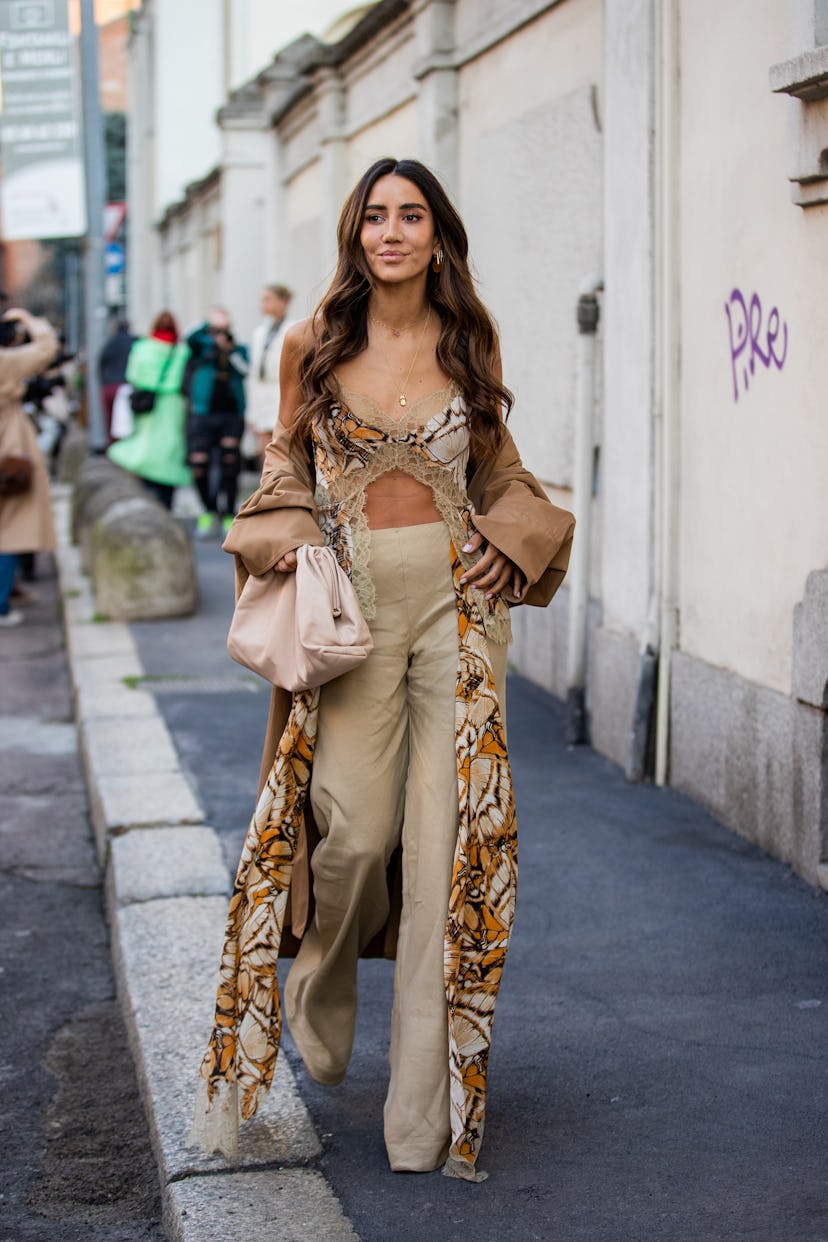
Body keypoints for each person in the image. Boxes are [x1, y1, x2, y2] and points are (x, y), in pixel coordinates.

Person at [190, 158, 576, 1181]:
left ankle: (421, 1118)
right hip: (353, 611)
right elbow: (284, 466)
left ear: (437, 234)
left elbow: (504, 469)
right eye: (376, 216)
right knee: (355, 832)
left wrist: (513, 536)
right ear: (356, 235)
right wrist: (289, 533)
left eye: (411, 216)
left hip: (460, 608)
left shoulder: (467, 341)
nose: (392, 232)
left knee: (444, 851)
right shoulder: (312, 344)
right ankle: (319, 971)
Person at [0, 308, 59, 626]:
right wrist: (28, 319)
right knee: (8, 532)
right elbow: (46, 348)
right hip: (7, 451)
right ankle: (1, 605)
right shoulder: (6, 362)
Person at [107, 310, 191, 509]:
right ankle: (165, 499)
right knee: (169, 450)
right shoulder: (181, 351)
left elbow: (132, 374)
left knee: (145, 446)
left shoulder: (142, 347)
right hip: (172, 403)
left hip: (146, 402)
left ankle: (148, 493)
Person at [184, 307, 249, 535]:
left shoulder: (238, 350)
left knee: (229, 462)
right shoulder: (202, 348)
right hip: (203, 413)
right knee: (199, 464)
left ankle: (229, 512)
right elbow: (189, 339)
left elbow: (245, 369)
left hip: (231, 414)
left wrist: (229, 351)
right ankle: (208, 509)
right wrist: (208, 325)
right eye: (217, 331)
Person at [246, 284, 294, 458]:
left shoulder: (294, 329)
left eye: (268, 299)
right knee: (264, 451)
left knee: (282, 453)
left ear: (283, 301)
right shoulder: (259, 333)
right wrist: (251, 414)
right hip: (262, 398)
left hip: (281, 396)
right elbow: (254, 375)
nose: (263, 305)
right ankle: (268, 486)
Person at [99, 316, 135, 445]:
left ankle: (114, 448)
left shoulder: (110, 344)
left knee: (111, 422)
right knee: (129, 420)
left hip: (109, 386)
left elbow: (101, 365)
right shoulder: (134, 342)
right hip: (126, 384)